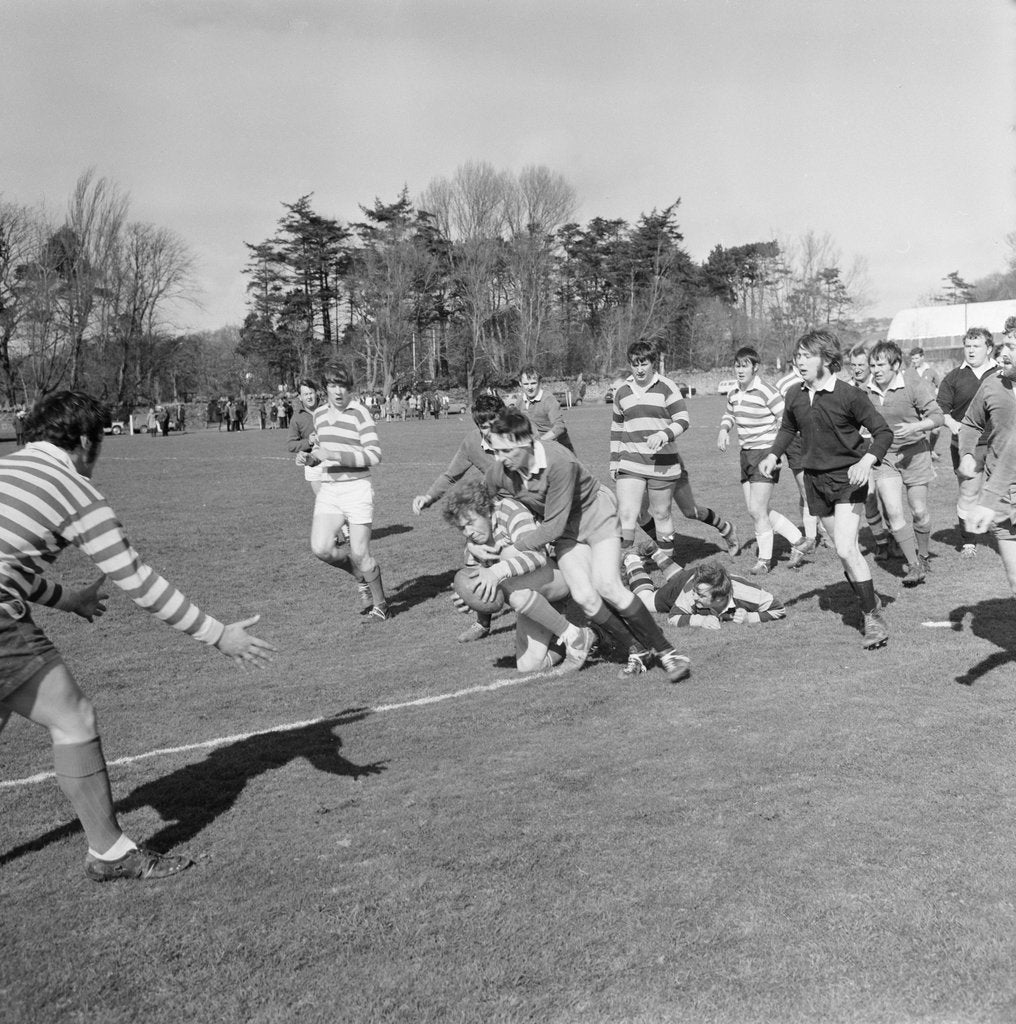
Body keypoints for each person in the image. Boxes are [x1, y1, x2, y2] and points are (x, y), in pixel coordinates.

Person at [0, 391, 275, 883]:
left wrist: (68, 599)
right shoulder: (73, 489)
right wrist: (217, 634)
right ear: (86, 441)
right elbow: (139, 581)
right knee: (74, 719)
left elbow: (11, 567)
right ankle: (109, 852)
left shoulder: (8, 469)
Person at [485, 406, 691, 683]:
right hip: (566, 530)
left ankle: (669, 653)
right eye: (495, 451)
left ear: (526, 443)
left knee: (608, 585)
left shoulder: (559, 462)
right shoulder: (500, 471)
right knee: (583, 596)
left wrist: (515, 549)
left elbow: (553, 526)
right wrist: (481, 552)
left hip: (595, 515)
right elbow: (483, 505)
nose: (499, 458)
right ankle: (638, 650)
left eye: (505, 451)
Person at [759, 329, 894, 650]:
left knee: (846, 549)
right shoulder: (794, 394)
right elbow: (788, 427)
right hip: (815, 482)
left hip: (848, 479)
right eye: (798, 356)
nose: (799, 361)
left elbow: (883, 432)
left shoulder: (850, 395)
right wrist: (773, 454)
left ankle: (873, 618)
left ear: (826, 359)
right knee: (843, 552)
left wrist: (867, 462)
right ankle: (869, 597)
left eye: (807, 356)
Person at [442, 481, 596, 672]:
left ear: (486, 511)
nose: (468, 533)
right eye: (462, 528)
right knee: (529, 666)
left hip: (557, 577)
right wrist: (468, 598)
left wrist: (495, 572)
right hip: (529, 597)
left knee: (507, 574)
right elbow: (480, 587)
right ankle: (589, 636)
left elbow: (536, 556)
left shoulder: (510, 511)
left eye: (470, 523)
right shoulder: (473, 547)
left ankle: (574, 636)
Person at [611, 340, 737, 564]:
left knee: (688, 511)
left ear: (653, 363)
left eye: (644, 363)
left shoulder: (667, 386)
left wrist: (663, 435)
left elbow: (683, 420)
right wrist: (614, 461)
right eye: (635, 364)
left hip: (666, 462)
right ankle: (628, 565)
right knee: (632, 513)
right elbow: (617, 428)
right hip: (632, 461)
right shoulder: (622, 392)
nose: (639, 369)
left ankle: (725, 528)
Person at [412, 393, 504, 642]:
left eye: (495, 424)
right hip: (494, 506)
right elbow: (451, 475)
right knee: (475, 555)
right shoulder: (472, 443)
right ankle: (482, 622)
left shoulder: (518, 436)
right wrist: (429, 497)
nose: (490, 431)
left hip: (526, 505)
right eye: (484, 426)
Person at [304, 363, 389, 620]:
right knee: (321, 548)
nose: (338, 391)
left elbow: (374, 455)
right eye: (333, 386)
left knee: (361, 553)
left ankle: (381, 606)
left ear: (349, 387)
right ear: (325, 388)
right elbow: (321, 451)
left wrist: (334, 454)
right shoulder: (319, 415)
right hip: (330, 489)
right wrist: (310, 458)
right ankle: (360, 576)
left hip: (356, 488)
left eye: (342, 386)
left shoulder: (360, 413)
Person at [717, 346, 807, 574]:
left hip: (765, 454)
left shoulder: (767, 391)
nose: (740, 370)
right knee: (755, 510)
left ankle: (764, 561)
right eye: (737, 366)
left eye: (745, 366)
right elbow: (729, 413)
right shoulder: (733, 392)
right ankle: (798, 540)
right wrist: (724, 429)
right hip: (745, 455)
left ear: (755, 368)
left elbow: (786, 419)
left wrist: (776, 452)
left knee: (758, 510)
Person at [864, 341, 943, 585]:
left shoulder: (912, 385)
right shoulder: (867, 390)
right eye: (872, 365)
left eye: (881, 365)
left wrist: (915, 427)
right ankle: (914, 565)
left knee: (918, 511)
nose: (876, 370)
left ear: (896, 365)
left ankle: (924, 554)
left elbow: (937, 416)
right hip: (886, 457)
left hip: (915, 454)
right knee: (893, 511)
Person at [958, 326, 1016, 594]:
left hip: (995, 494)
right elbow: (971, 422)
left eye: (1012, 347)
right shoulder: (992, 384)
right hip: (1002, 496)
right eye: (1004, 345)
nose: (1003, 353)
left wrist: (987, 499)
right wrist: (967, 453)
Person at [937, 327, 998, 558]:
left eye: (976, 346)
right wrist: (952, 424)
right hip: (966, 445)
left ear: (989, 349)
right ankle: (969, 541)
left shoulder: (1003, 373)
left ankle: (1008, 534)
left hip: (1000, 443)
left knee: (1009, 490)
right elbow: (940, 410)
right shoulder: (953, 377)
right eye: (968, 346)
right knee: (969, 492)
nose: (971, 350)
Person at [623, 553, 786, 627]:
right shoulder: (690, 593)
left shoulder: (748, 594)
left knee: (681, 577)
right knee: (645, 601)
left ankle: (655, 553)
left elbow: (779, 609)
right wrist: (700, 621)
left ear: (720, 598)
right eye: (696, 593)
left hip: (696, 578)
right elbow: (673, 617)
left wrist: (750, 618)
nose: (695, 597)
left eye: (700, 595)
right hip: (686, 583)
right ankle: (631, 559)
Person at [517, 366, 574, 452]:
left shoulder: (548, 400)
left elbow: (559, 427)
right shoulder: (520, 401)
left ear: (539, 382)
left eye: (533, 383)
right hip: (537, 449)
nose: (530, 387)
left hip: (559, 449)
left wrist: (538, 443)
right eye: (526, 384)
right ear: (520, 383)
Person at [909, 346, 941, 458]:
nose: (914, 361)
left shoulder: (931, 371)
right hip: (915, 407)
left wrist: (936, 397)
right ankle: (921, 454)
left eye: (916, 358)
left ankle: (931, 449)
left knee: (936, 430)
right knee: (918, 431)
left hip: (930, 406)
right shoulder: (909, 373)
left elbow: (939, 386)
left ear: (922, 357)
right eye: (912, 359)